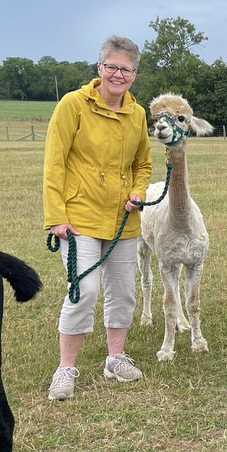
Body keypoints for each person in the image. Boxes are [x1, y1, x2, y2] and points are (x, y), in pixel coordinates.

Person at [43, 35, 152, 401]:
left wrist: (138, 191)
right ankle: (65, 368)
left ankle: (115, 358)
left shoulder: (137, 114)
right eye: (113, 67)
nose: (119, 74)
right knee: (84, 289)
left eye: (127, 69)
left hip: (123, 220)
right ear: (99, 68)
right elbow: (54, 164)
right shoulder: (73, 105)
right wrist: (55, 216)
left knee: (122, 292)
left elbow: (143, 164)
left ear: (135, 74)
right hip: (79, 218)